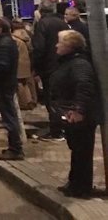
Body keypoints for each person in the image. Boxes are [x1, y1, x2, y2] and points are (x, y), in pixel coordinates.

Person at [50, 30, 100, 198]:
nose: (56, 45)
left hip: (79, 115)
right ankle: (75, 183)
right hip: (72, 112)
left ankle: (81, 187)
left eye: (60, 42)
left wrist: (79, 110)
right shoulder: (69, 62)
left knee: (82, 152)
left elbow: (84, 86)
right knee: (77, 150)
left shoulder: (79, 63)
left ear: (70, 46)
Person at [0, 18, 24, 160]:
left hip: (4, 84)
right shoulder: (4, 42)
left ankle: (16, 149)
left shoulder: (4, 44)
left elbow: (3, 66)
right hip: (5, 84)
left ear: (0, 29)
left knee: (9, 117)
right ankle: (13, 147)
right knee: (9, 116)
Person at [32, 0, 68, 141]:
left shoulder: (43, 24)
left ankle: (56, 131)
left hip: (49, 67)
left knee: (51, 99)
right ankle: (63, 126)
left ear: (41, 11)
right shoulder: (62, 23)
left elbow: (39, 48)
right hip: (63, 65)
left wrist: (36, 67)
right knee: (61, 97)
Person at [12, 19, 36, 110]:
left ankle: (24, 103)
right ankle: (32, 100)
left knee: (19, 84)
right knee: (29, 82)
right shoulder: (27, 35)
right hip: (28, 60)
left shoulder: (14, 38)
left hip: (19, 62)